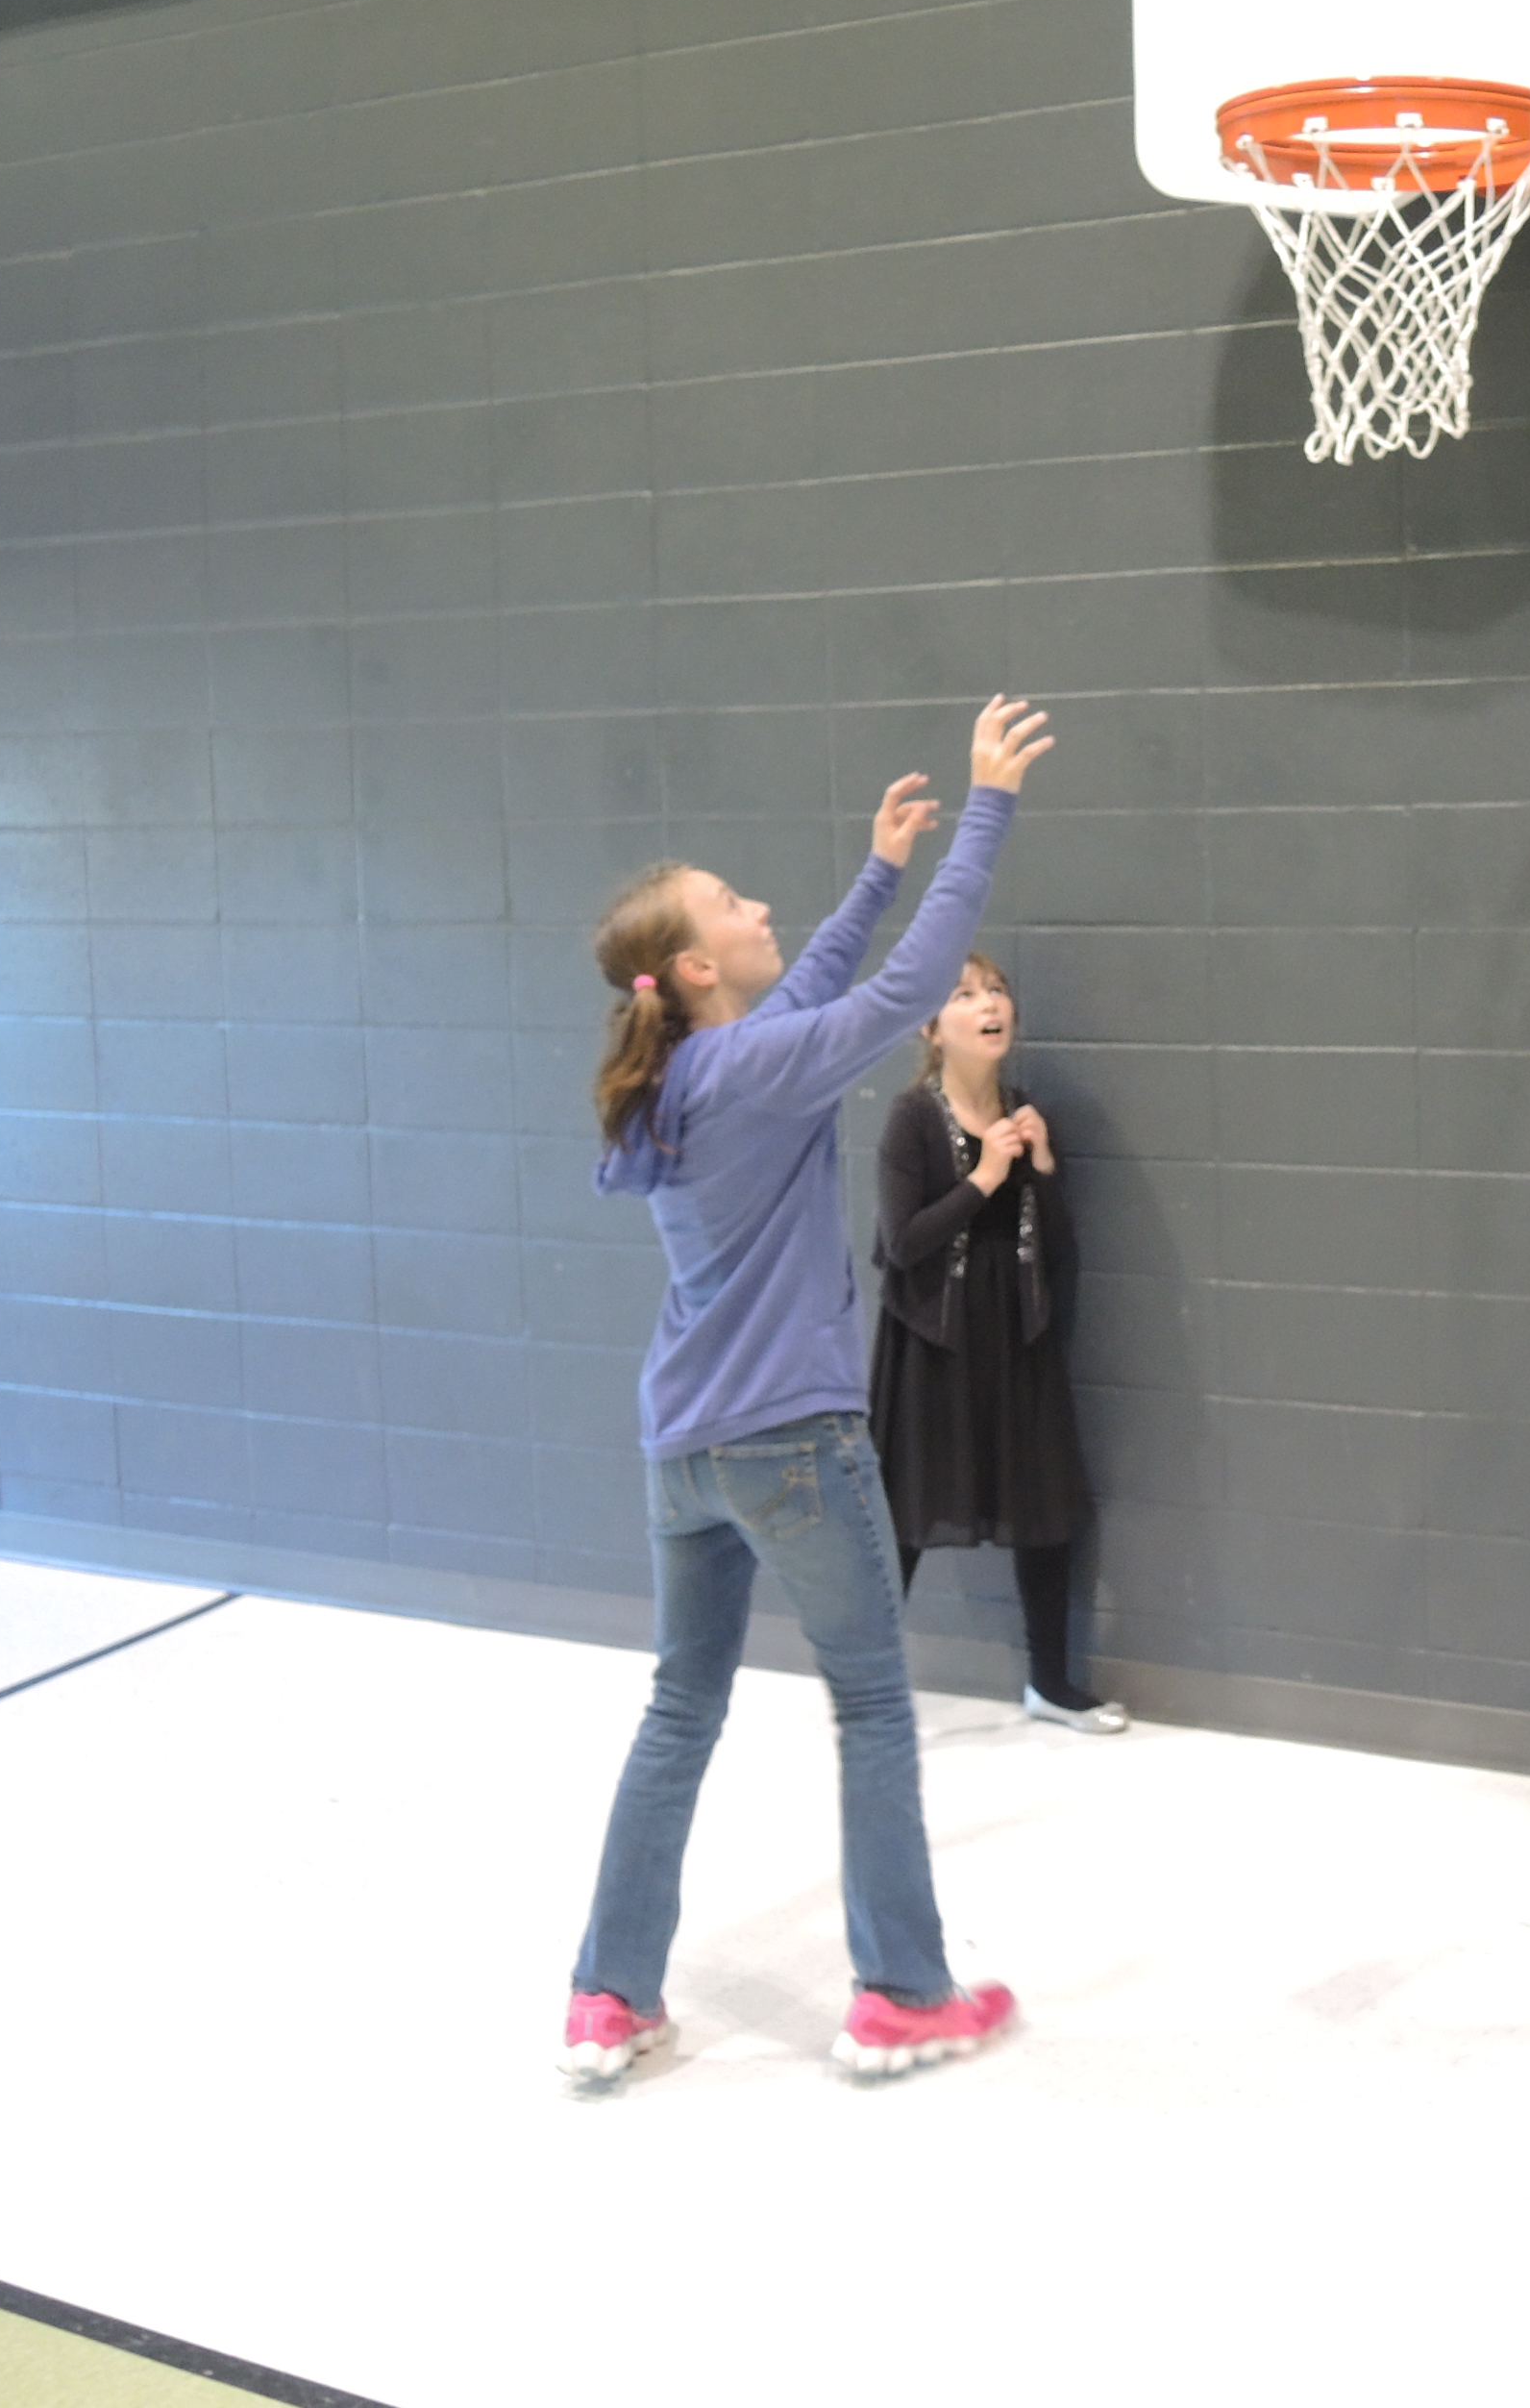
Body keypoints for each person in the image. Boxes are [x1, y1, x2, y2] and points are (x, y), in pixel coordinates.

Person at [558, 692, 1053, 2090]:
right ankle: (902, 1991)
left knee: (680, 1709)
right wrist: (986, 813)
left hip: (685, 1450)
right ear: (696, 964)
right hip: (791, 1440)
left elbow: (820, 992)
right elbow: (892, 1001)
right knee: (876, 1707)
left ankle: (608, 1994)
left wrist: (882, 870)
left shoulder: (680, 1078)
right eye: (731, 901)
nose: (757, 904)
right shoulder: (753, 1070)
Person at [869, 954, 1123, 1732]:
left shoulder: (1023, 1107)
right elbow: (902, 1243)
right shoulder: (912, 1117)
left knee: (1043, 1504)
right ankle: (865, 1689)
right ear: (930, 1027)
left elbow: (1057, 1247)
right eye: (965, 994)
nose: (990, 1005)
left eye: (998, 991)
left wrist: (1041, 1167)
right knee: (904, 1514)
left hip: (1015, 1332)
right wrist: (982, 1178)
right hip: (931, 1343)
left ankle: (1049, 1682)